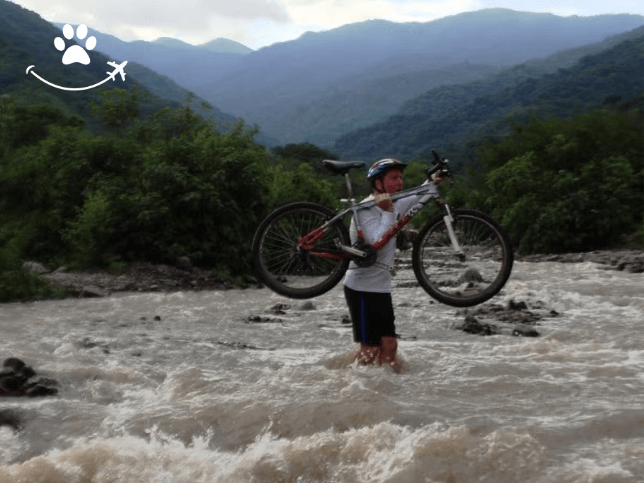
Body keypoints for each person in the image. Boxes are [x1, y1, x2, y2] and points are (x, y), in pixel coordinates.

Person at [343, 158, 421, 371]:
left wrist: (434, 181)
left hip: (381, 287)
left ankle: (386, 393)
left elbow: (419, 197)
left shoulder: (396, 203)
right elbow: (377, 241)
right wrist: (387, 212)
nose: (400, 183)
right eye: (393, 178)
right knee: (370, 350)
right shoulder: (365, 209)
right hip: (361, 287)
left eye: (401, 178)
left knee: (389, 345)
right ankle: (356, 390)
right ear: (378, 183)